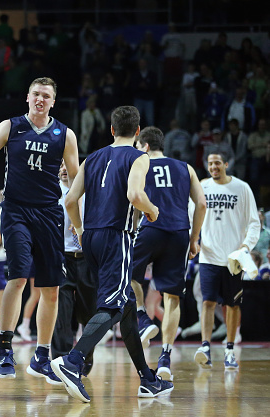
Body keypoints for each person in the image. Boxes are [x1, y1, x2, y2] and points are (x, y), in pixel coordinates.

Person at [52, 106, 173, 402]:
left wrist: (80, 231)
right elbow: (134, 195)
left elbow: (70, 200)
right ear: (137, 132)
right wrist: (152, 210)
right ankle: (73, 361)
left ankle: (148, 379)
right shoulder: (139, 156)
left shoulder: (92, 157)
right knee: (112, 306)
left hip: (91, 237)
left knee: (127, 309)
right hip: (115, 236)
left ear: (110, 130)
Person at [0, 76, 79, 384]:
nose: (40, 99)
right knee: (17, 277)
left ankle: (42, 355)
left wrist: (80, 216)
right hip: (16, 210)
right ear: (28, 98)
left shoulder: (64, 135)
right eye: (36, 94)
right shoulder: (10, 126)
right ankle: (5, 348)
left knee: (51, 289)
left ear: (53, 101)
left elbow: (76, 183)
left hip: (49, 212)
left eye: (46, 95)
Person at [130, 126, 206, 381]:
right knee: (172, 298)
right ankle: (165, 356)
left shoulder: (140, 165)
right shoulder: (186, 168)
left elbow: (135, 198)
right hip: (179, 232)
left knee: (126, 273)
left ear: (145, 146)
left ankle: (142, 317)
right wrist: (194, 239)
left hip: (152, 227)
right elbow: (202, 204)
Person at [194, 152, 260, 370]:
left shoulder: (242, 188)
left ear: (226, 164)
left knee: (232, 305)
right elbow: (190, 214)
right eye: (210, 163)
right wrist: (194, 240)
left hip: (233, 258)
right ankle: (205, 346)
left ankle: (230, 350)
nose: (213, 166)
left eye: (217, 163)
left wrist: (245, 247)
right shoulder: (202, 186)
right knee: (207, 302)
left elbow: (253, 222)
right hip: (209, 256)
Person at [51, 162, 97, 376]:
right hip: (62, 256)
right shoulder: (51, 190)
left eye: (66, 164)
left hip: (87, 257)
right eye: (59, 165)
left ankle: (85, 356)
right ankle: (59, 360)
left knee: (89, 313)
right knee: (62, 311)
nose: (63, 168)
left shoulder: (91, 191)